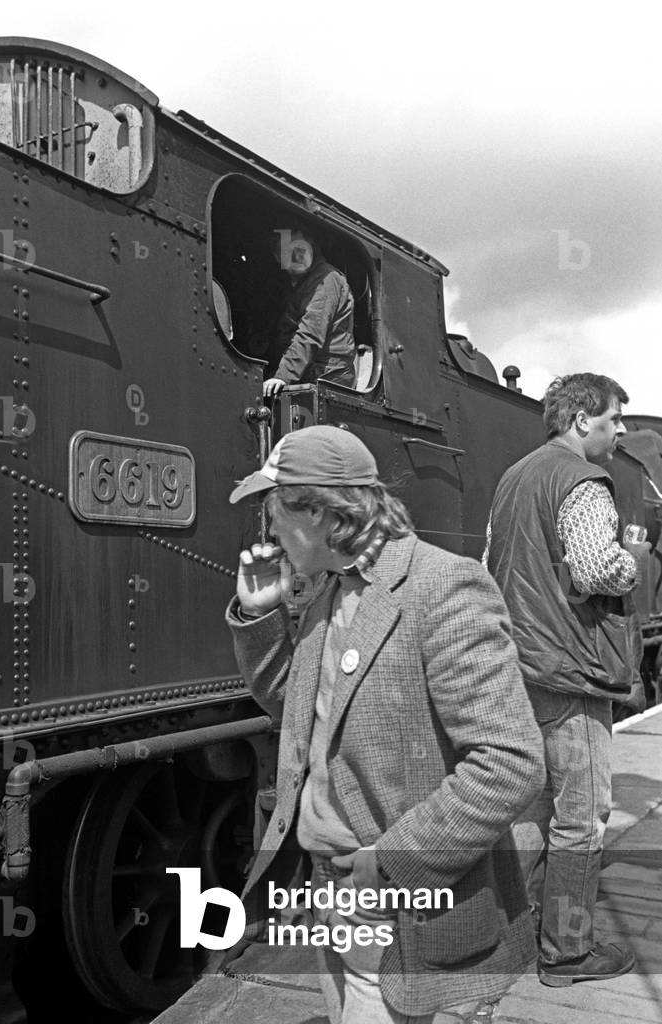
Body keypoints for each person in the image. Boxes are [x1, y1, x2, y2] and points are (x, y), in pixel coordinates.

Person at [226, 425, 545, 1024]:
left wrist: (393, 862)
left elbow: (511, 762)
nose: (267, 533)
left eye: (273, 513)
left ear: (319, 511)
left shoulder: (442, 586)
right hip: (329, 886)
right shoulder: (329, 589)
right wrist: (259, 614)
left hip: (391, 899)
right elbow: (298, 713)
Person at [484, 373, 651, 987]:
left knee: (533, 806)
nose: (622, 430)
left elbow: (490, 565)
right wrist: (632, 559)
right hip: (571, 667)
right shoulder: (582, 480)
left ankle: (519, 931)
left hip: (521, 663)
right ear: (583, 419)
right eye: (614, 418)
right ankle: (567, 953)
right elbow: (593, 568)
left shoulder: (513, 477)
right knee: (581, 816)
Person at [262, 229, 356, 398]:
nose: (298, 257)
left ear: (311, 246)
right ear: (278, 258)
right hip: (309, 372)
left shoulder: (327, 278)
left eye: (301, 249)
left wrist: (284, 375)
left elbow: (311, 332)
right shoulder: (297, 284)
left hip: (328, 378)